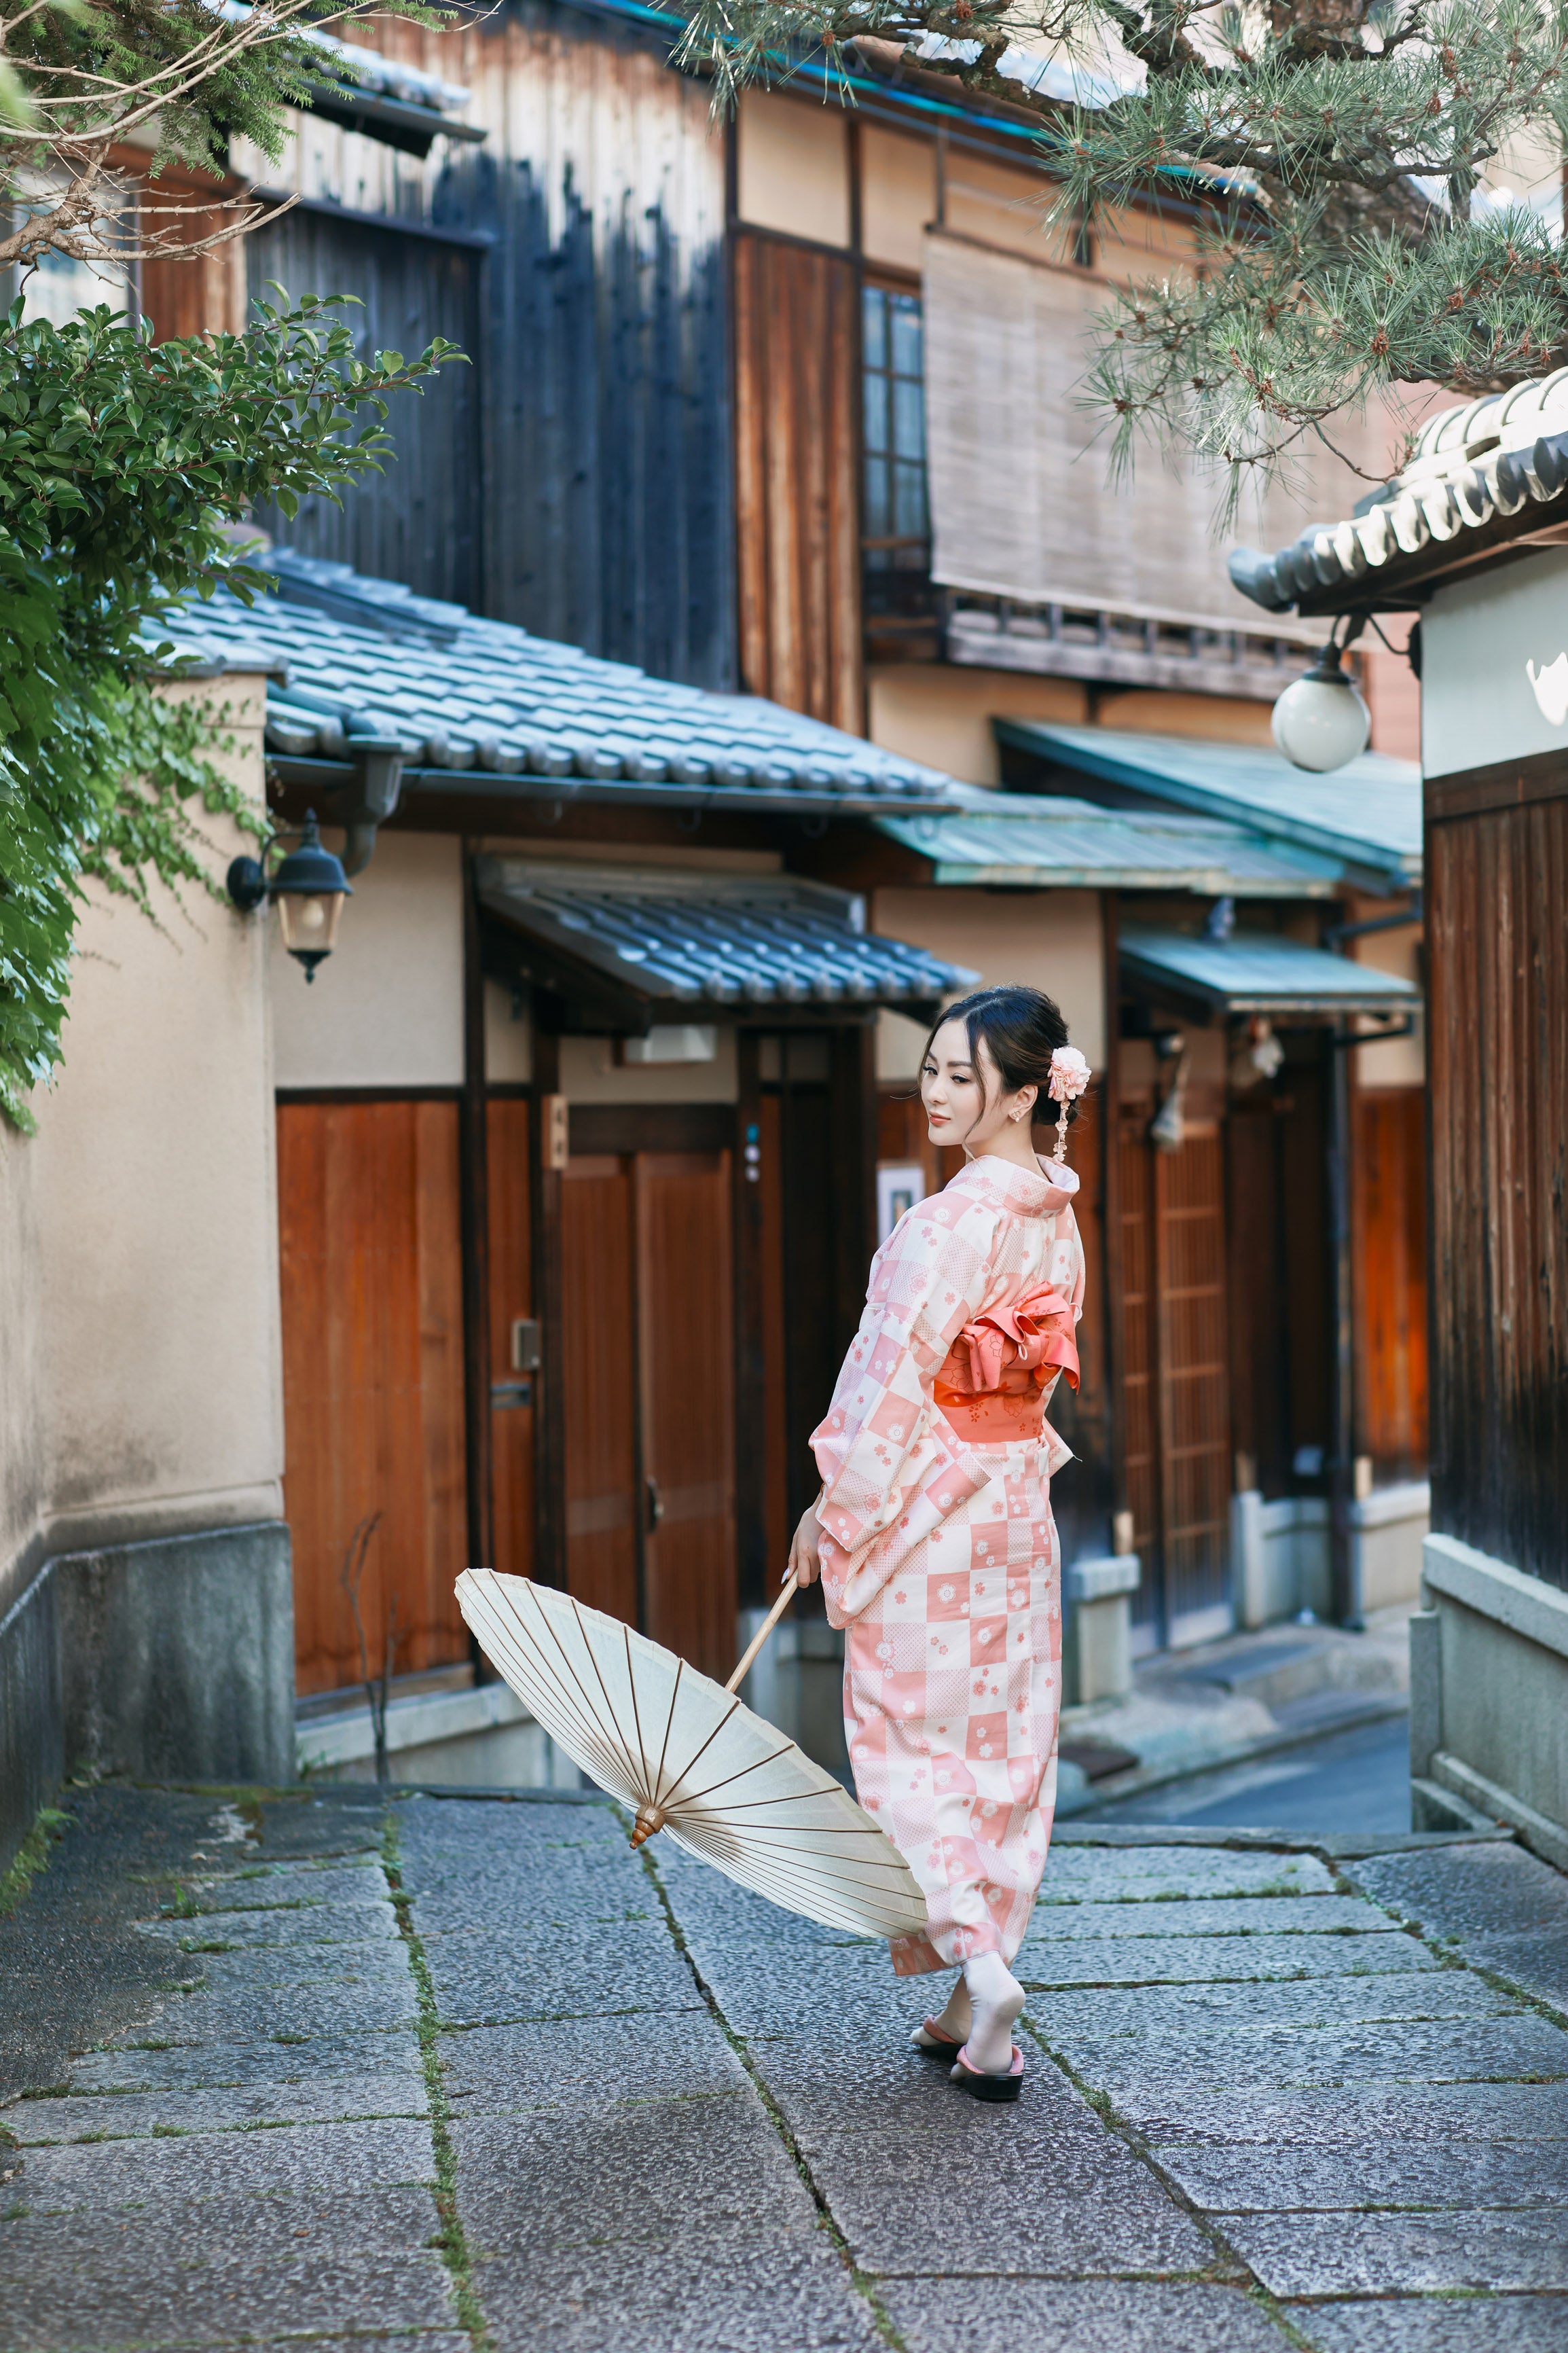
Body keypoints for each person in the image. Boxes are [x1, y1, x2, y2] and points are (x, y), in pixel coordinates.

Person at [788, 986, 1090, 2104]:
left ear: (1022, 1094)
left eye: (962, 1076)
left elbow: (884, 1387)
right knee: (1003, 1753)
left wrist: (832, 1511)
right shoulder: (1052, 1213)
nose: (934, 1090)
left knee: (904, 1745)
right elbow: (1035, 1374)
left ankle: (981, 1964)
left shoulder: (944, 1224)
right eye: (928, 1068)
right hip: (1012, 1508)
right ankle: (975, 2003)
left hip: (930, 1515)